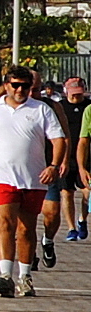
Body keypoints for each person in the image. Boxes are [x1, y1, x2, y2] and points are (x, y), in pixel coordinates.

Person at [0, 65, 70, 298]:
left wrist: (54, 166)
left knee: (26, 229)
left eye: (25, 86)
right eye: (15, 85)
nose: (20, 90)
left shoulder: (41, 110)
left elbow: (58, 139)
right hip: (0, 178)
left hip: (33, 179)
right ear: (6, 85)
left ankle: (24, 276)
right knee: (5, 223)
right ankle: (5, 276)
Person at [58, 77, 90, 243]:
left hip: (86, 156)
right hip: (66, 156)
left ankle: (82, 219)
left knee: (87, 191)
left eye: (79, 94)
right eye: (73, 94)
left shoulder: (88, 107)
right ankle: (71, 228)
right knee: (66, 193)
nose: (77, 97)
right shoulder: (61, 108)